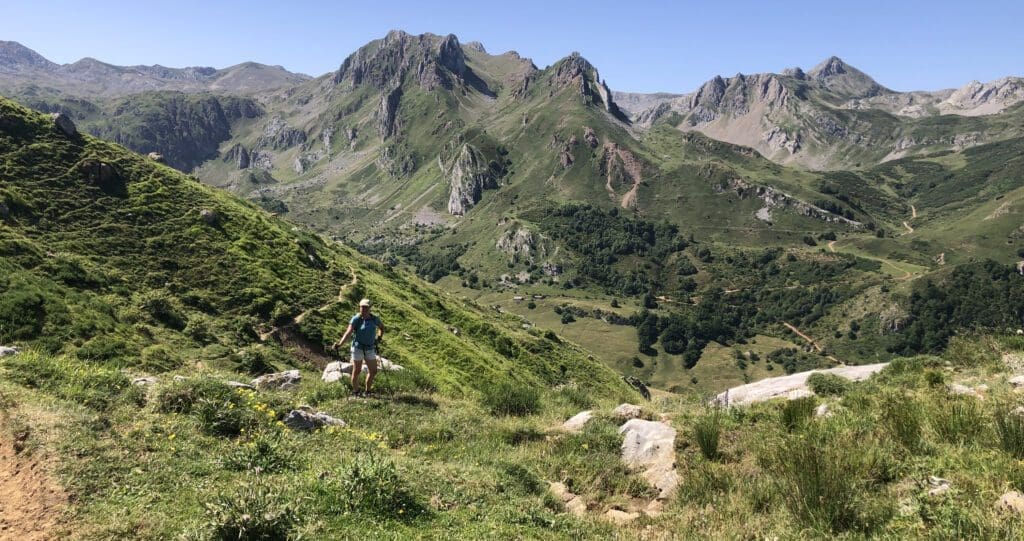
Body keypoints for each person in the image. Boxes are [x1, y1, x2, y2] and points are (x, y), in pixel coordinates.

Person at [333, 298, 386, 396]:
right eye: (362, 307)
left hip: (370, 348)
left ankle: (367, 391)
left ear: (370, 308)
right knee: (357, 370)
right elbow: (348, 333)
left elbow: (382, 327)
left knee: (373, 371)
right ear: (359, 307)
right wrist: (340, 344)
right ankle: (356, 391)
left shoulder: (375, 319)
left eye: (366, 307)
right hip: (358, 348)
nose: (363, 309)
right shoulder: (356, 319)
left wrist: (379, 338)